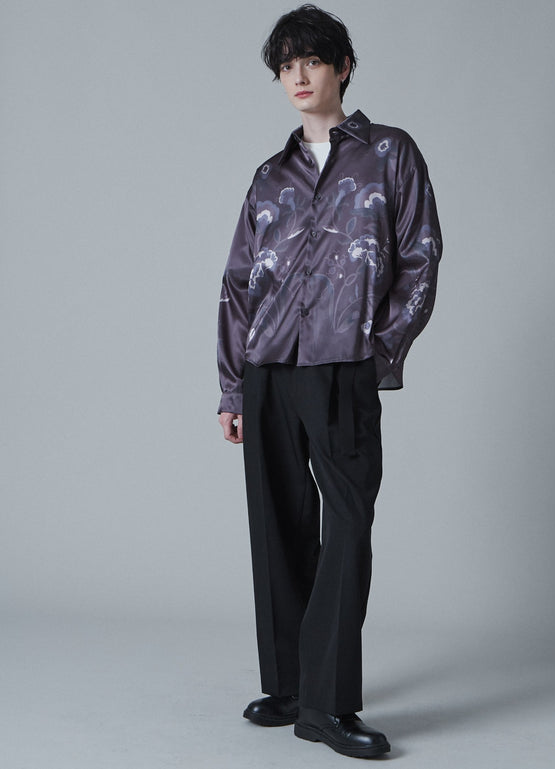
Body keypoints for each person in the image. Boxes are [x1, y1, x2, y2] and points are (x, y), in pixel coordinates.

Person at [217, 4, 442, 759]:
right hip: (267, 369)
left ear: (342, 67)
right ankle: (289, 687)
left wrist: (378, 351)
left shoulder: (388, 153)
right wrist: (231, 387)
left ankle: (328, 704)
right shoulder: (268, 176)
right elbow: (237, 284)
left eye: (310, 60)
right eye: (286, 66)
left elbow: (420, 255)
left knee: (346, 528)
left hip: (343, 365)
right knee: (277, 524)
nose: (298, 76)